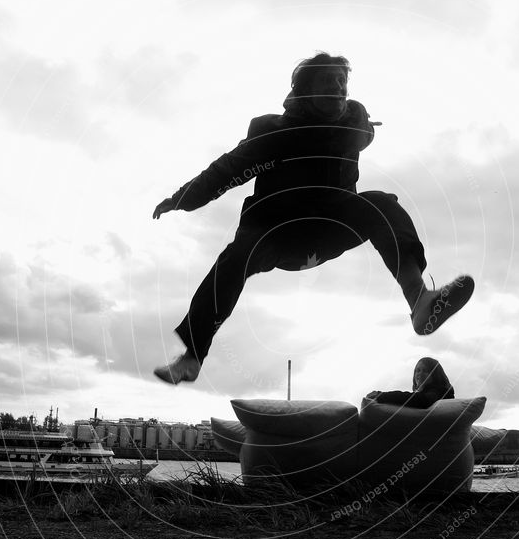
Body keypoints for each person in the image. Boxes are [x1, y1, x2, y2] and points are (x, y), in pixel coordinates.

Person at [152, 52, 474, 384]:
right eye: (327, 82)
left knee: (381, 204)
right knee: (238, 255)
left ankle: (419, 299)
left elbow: (364, 129)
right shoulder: (273, 132)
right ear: (305, 90)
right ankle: (192, 357)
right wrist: (179, 199)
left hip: (329, 228)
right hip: (277, 232)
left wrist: (366, 126)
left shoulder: (353, 121)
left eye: (342, 81)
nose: (338, 89)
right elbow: (226, 170)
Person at [366, 357, 454, 409]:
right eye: (417, 370)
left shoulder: (441, 392)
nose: (420, 374)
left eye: (425, 371)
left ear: (435, 374)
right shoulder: (432, 392)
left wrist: (381, 396)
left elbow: (420, 400)